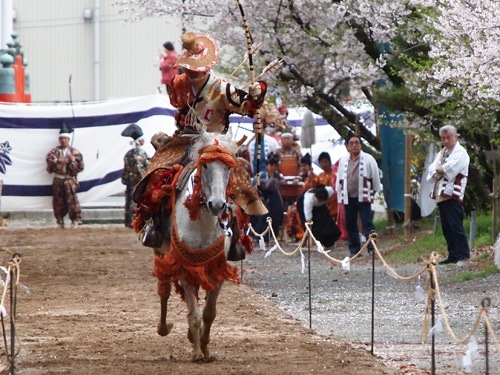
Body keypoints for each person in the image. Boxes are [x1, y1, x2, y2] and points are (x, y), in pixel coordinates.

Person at [133, 32, 268, 261]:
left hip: (216, 141)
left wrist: (258, 93)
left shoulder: (223, 89)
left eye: (198, 68)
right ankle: (153, 224)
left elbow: (248, 108)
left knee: (239, 185)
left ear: (208, 66)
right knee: (156, 173)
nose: (194, 72)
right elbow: (178, 104)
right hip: (184, 139)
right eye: (190, 68)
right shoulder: (177, 83)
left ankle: (236, 236)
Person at [427, 125, 470, 264]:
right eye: (443, 138)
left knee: (455, 225)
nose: (446, 140)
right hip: (441, 193)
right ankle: (453, 254)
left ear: (455, 137)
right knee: (446, 226)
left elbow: (450, 168)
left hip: (453, 193)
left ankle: (463, 255)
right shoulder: (443, 152)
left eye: (448, 137)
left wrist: (439, 170)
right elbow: (432, 168)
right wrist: (437, 170)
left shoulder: (460, 152)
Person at [336, 133, 381, 256]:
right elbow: (339, 178)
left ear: (360, 145)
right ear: (347, 146)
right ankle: (354, 249)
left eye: (357, 143)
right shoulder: (343, 161)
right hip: (348, 196)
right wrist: (340, 194)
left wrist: (373, 191)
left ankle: (372, 247)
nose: (355, 145)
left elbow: (375, 177)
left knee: (367, 222)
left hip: (363, 195)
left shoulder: (368, 159)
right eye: (352, 143)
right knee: (350, 223)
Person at [45, 122, 84, 229]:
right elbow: (50, 162)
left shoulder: (74, 152)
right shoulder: (54, 151)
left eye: (65, 138)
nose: (63, 140)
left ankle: (75, 220)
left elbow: (80, 167)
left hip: (69, 180)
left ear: (68, 139)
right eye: (61, 138)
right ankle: (60, 220)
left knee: (72, 201)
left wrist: (71, 161)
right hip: (58, 179)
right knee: (58, 201)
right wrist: (58, 161)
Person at [251, 153, 284, 243]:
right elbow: (254, 189)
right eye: (271, 165)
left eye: (275, 165)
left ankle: (272, 235)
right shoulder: (261, 175)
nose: (273, 167)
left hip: (274, 202)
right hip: (260, 200)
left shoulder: (277, 176)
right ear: (266, 166)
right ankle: (259, 236)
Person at [121, 123, 150, 228]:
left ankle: (129, 223)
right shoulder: (139, 154)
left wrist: (126, 180)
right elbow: (140, 169)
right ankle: (134, 223)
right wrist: (144, 180)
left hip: (130, 183)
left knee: (129, 203)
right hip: (138, 183)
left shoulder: (129, 154)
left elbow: (125, 171)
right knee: (135, 204)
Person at [276, 132, 302, 208]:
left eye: (288, 138)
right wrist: (280, 178)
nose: (286, 140)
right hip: (281, 185)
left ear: (292, 140)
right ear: (281, 140)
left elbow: (301, 167)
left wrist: (297, 178)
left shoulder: (297, 153)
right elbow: (273, 167)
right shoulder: (276, 153)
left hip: (295, 185)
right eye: (284, 139)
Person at [315, 151, 338, 219]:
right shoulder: (320, 176)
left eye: (326, 161)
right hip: (323, 202)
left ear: (329, 162)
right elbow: (314, 185)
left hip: (334, 202)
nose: (324, 164)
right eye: (322, 162)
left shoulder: (335, 174)